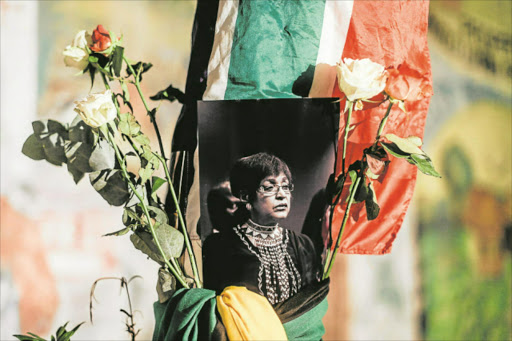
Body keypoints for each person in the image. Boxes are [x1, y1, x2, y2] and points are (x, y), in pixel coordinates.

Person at [203, 152, 320, 304]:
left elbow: (311, 304)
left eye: (285, 186)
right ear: (245, 196)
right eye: (269, 187)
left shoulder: (303, 245)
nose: (282, 195)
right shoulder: (219, 246)